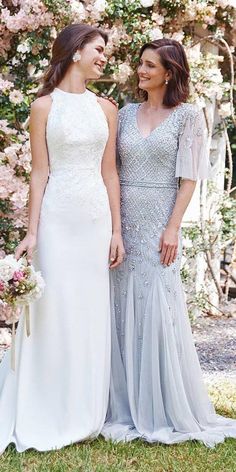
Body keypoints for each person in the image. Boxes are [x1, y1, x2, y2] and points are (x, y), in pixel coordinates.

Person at [102, 39, 236, 447]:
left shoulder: (187, 117)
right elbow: (110, 169)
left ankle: (161, 402)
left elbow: (189, 178)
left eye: (149, 65)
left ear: (169, 72)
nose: (140, 71)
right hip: (122, 216)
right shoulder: (124, 114)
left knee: (158, 301)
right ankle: (119, 401)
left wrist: (173, 227)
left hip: (160, 218)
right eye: (140, 64)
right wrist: (113, 225)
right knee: (120, 300)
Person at [0, 23, 124, 453]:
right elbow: (39, 173)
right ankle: (44, 403)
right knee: (53, 309)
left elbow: (110, 173)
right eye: (98, 48)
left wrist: (116, 230)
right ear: (75, 52)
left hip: (93, 219)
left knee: (88, 310)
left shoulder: (106, 109)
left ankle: (83, 407)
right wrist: (32, 231)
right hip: (56, 218)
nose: (104, 55)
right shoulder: (43, 107)